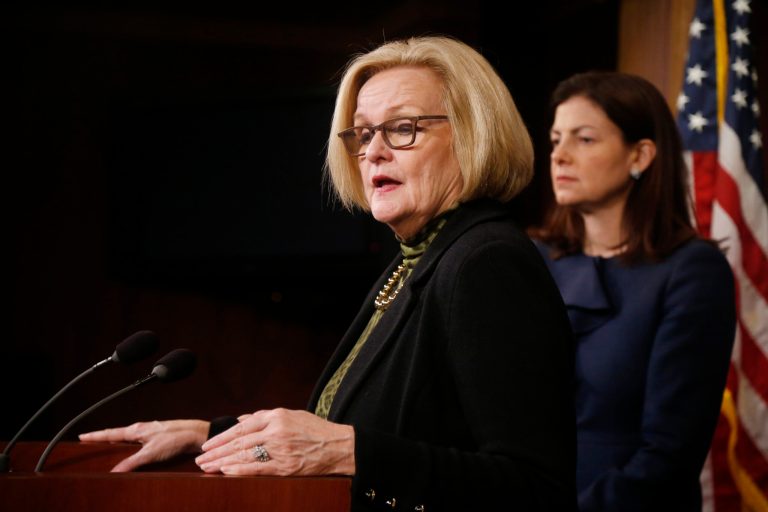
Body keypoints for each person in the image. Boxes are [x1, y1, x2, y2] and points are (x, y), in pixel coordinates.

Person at [79, 36, 577, 510]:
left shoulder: (486, 263)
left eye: (403, 128)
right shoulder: (416, 260)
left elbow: (535, 488)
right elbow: (355, 426)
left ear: (474, 134)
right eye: (362, 133)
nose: (373, 151)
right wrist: (211, 435)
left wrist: (348, 452)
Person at [531, 71, 736, 511]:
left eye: (584, 139)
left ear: (640, 155)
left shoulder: (693, 272)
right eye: (555, 140)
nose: (560, 156)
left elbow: (668, 456)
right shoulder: (531, 258)